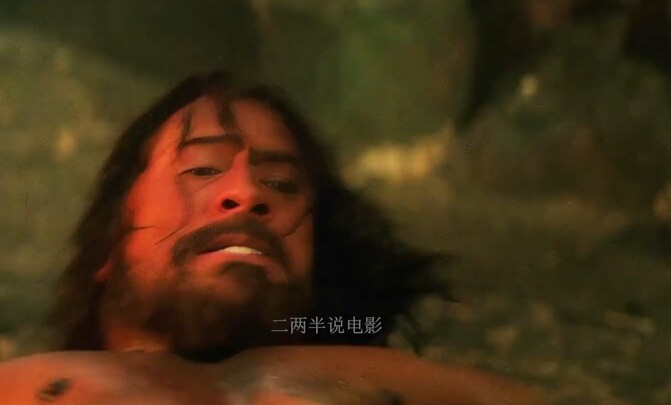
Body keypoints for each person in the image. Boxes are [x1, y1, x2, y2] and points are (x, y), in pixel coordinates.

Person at [0, 72, 544, 404]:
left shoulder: (430, 389)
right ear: (108, 246)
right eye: (202, 169)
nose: (246, 192)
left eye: (282, 184)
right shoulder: (26, 386)